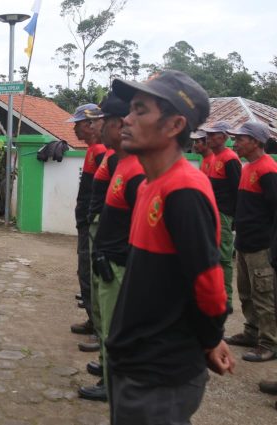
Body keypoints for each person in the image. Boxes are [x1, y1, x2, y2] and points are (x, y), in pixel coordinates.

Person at [106, 70, 235, 424]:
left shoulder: (183, 191)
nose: (126, 121)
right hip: (135, 362)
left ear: (175, 124)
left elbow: (209, 285)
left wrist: (211, 339)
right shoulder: (152, 185)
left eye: (140, 110)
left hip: (158, 375)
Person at [78, 93, 138, 403]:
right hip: (105, 251)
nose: (102, 128)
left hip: (118, 258)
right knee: (104, 313)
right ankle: (107, 368)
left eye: (109, 122)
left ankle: (113, 379)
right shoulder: (117, 160)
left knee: (114, 319)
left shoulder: (133, 167)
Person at [226, 121, 277, 362]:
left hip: (260, 245)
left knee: (264, 296)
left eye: (240, 139)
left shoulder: (268, 169)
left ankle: (269, 343)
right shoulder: (247, 168)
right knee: (246, 292)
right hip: (244, 242)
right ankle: (251, 332)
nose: (235, 143)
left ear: (255, 142)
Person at [68, 103, 106, 337]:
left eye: (78, 124)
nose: (74, 130)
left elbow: (98, 193)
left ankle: (99, 327)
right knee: (85, 272)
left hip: (92, 222)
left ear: (91, 124)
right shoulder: (92, 150)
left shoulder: (101, 152)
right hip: (85, 220)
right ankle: (93, 320)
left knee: (90, 272)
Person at [203, 121, 240, 311]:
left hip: (223, 216)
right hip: (213, 215)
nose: (208, 137)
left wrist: (233, 219)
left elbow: (237, 191)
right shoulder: (213, 159)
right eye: (208, 134)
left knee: (224, 260)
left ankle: (226, 303)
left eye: (213, 134)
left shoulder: (229, 159)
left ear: (224, 137)